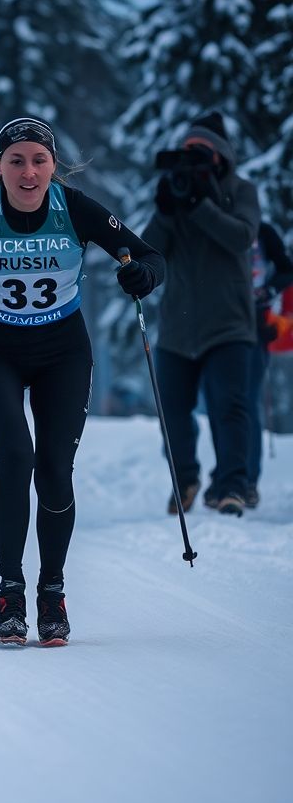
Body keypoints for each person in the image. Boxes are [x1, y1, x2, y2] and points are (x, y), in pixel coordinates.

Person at [0, 117, 164, 646]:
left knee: (54, 469)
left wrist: (142, 275)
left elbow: (149, 256)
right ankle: (10, 590)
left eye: (39, 160)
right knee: (18, 456)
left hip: (62, 353)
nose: (28, 172)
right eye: (16, 161)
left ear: (54, 165)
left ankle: (53, 592)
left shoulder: (73, 208)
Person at [141, 111, 260, 518]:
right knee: (172, 410)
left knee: (229, 406)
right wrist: (167, 209)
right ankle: (185, 479)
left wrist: (199, 205)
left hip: (229, 324)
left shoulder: (241, 191)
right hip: (177, 327)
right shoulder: (177, 196)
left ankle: (231, 486)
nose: (191, 163)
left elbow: (241, 237)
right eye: (186, 154)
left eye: (200, 154)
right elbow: (148, 254)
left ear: (220, 157)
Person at [240, 222, 293, 508]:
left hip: (258, 327)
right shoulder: (217, 227)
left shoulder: (265, 231)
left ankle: (248, 481)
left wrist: (268, 291)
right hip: (220, 324)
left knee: (248, 403)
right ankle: (229, 476)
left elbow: (286, 269)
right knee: (226, 406)